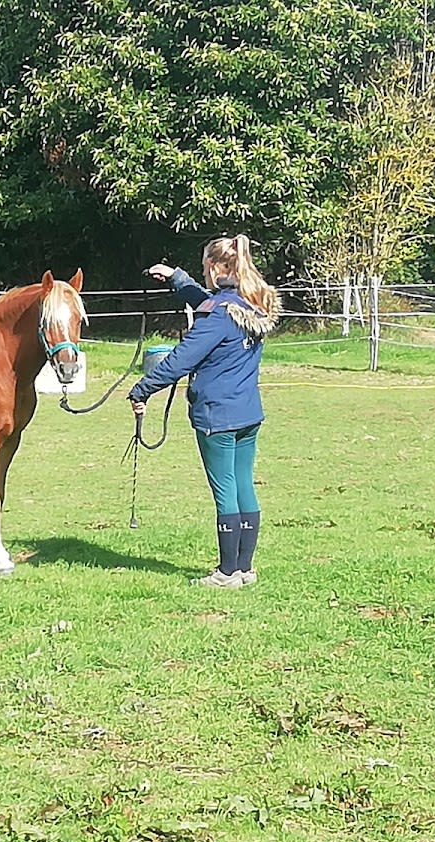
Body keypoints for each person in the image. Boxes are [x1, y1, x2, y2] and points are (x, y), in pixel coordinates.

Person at [128, 234, 280, 588]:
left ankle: (226, 573)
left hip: (216, 415)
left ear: (214, 267)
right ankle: (244, 568)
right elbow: (211, 303)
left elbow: (180, 359)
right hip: (247, 413)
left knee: (225, 489)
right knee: (243, 484)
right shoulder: (250, 305)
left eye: (203, 269)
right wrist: (177, 279)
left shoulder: (217, 317)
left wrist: (142, 389)